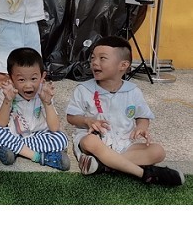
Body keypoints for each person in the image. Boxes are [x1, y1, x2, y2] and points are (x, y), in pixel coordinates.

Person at [66, 36, 185, 186]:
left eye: (102, 58)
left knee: (158, 151)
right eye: (93, 58)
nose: (94, 62)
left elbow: (142, 116)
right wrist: (87, 121)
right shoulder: (83, 89)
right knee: (90, 142)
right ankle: (144, 174)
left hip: (123, 144)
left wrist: (141, 127)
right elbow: (71, 117)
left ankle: (102, 166)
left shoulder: (133, 91)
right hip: (95, 143)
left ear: (123, 65)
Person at [0, 47, 70, 170]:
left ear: (42, 76)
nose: (28, 85)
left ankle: (14, 150)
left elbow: (54, 127)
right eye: (21, 80)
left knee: (61, 138)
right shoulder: (5, 92)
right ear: (11, 79)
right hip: (14, 134)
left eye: (34, 79)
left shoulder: (44, 92)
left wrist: (47, 103)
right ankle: (39, 156)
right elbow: (2, 123)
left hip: (38, 135)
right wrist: (7, 100)